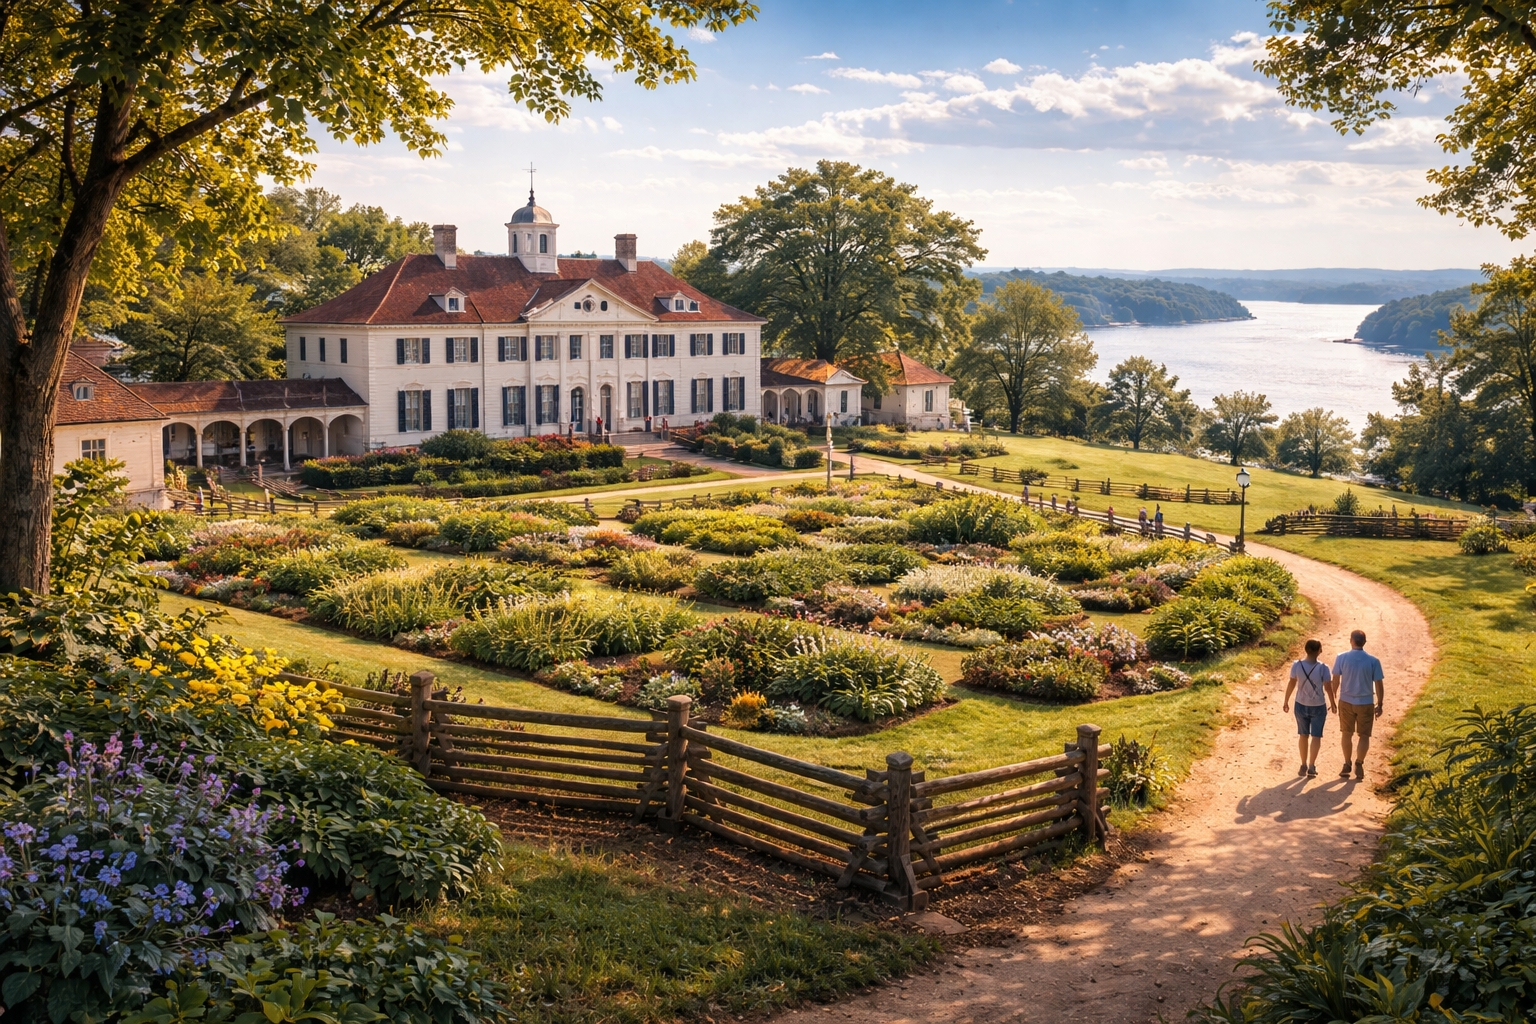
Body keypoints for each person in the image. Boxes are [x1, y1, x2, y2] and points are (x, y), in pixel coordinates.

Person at [1332, 629, 1385, 780]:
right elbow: (1379, 684)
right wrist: (1380, 703)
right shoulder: (1373, 661)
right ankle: (1359, 763)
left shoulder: (1341, 657)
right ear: (1364, 642)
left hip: (1346, 701)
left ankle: (1347, 763)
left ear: (1351, 641)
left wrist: (1333, 696)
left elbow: (1335, 679)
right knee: (1364, 735)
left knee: (1346, 734)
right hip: (1366, 702)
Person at [1283, 638, 1334, 777]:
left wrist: (1286, 700)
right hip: (1318, 705)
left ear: (1306, 650)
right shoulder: (1323, 668)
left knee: (1303, 735)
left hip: (1300, 704)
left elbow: (1292, 683)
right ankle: (1311, 766)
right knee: (1316, 736)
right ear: (1320, 651)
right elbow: (1328, 688)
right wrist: (1333, 704)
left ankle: (1303, 764)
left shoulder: (1296, 665)